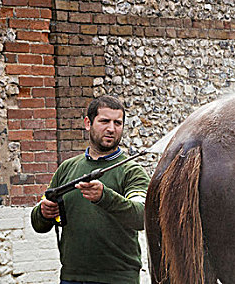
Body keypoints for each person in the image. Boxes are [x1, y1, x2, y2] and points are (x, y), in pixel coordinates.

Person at [31, 95, 151, 284]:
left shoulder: (131, 171)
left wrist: (104, 197)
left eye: (117, 123)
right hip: (71, 278)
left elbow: (142, 216)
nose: (111, 128)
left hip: (118, 279)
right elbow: (39, 224)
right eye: (104, 121)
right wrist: (44, 212)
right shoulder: (67, 168)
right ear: (88, 123)